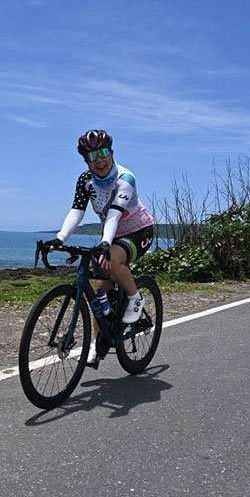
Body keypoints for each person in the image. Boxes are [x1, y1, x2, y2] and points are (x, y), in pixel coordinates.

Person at [43, 129, 155, 364]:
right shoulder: (86, 180)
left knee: (113, 261)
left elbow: (114, 214)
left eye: (103, 153)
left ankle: (135, 297)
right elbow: (77, 211)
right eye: (92, 156)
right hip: (112, 235)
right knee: (100, 288)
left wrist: (105, 243)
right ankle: (97, 343)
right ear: (86, 160)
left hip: (139, 231)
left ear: (111, 152)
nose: (99, 160)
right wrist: (60, 237)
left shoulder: (125, 179)